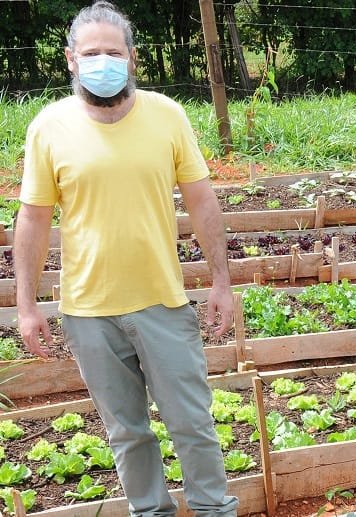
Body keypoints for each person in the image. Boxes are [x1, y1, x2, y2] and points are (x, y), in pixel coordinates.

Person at [15, 2, 238, 515]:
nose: (102, 61)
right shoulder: (49, 127)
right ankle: (150, 511)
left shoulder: (167, 115)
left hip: (162, 301)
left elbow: (203, 199)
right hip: (89, 311)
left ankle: (212, 509)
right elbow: (33, 219)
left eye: (112, 52)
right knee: (126, 432)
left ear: (132, 58)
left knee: (192, 422)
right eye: (91, 53)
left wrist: (221, 281)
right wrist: (25, 305)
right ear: (71, 60)